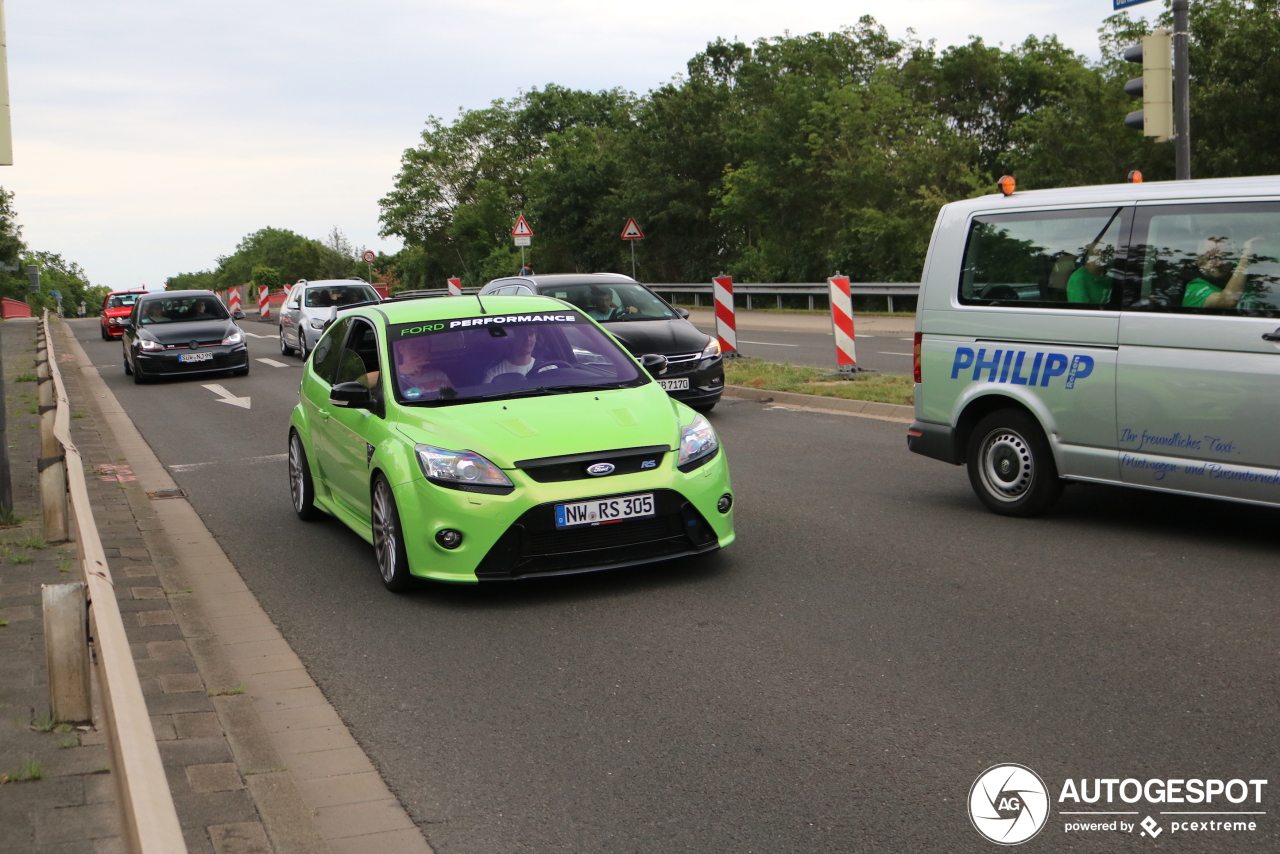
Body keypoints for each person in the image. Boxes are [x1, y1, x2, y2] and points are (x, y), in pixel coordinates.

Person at [1183, 233, 1263, 308]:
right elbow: (1227, 302)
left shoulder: (1236, 267)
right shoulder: (1194, 289)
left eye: (1224, 257)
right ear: (1200, 263)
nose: (1219, 263)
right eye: (1211, 258)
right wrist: (1246, 257)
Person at [1067, 239, 1113, 304]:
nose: (1103, 259)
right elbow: (1081, 311)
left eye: (1105, 254)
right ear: (1089, 257)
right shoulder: (1078, 279)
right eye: (1097, 255)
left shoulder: (1110, 277)